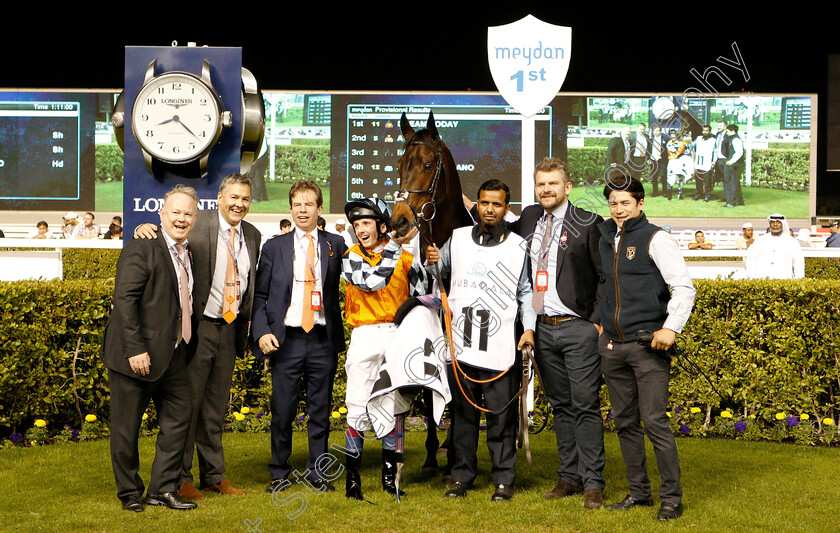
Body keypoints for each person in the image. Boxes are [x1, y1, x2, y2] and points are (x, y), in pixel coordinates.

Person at [134, 174, 263, 500]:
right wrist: (143, 230)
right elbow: (168, 241)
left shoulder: (252, 234)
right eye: (233, 197)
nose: (239, 204)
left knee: (215, 409)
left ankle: (214, 476)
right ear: (219, 197)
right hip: (199, 327)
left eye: (245, 199)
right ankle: (181, 478)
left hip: (230, 329)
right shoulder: (198, 222)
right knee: (187, 407)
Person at [426, 179, 536, 502]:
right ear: (476, 204)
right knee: (463, 418)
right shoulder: (457, 239)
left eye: (497, 204)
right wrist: (433, 258)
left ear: (506, 208)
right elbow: (437, 271)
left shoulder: (519, 247)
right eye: (484, 203)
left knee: (501, 417)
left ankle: (503, 479)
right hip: (461, 345)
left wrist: (528, 329)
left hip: (501, 345)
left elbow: (526, 293)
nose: (490, 209)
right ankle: (462, 476)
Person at [508, 157, 606, 509]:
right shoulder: (531, 218)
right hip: (543, 329)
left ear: (567, 187)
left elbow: (605, 277)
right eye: (541, 184)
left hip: (578, 329)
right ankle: (569, 477)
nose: (546, 189)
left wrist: (594, 323)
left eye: (553, 184)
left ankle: (594, 482)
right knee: (562, 408)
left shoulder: (589, 223)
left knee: (585, 407)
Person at [597, 175, 695, 522]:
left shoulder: (656, 238)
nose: (619, 209)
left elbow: (683, 287)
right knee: (624, 423)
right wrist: (600, 323)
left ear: (640, 204)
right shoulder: (606, 235)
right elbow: (605, 286)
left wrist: (670, 328)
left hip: (647, 346)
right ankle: (639, 493)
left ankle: (671, 498)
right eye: (613, 203)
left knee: (654, 422)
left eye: (625, 203)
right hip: (612, 345)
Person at [101, 185, 200, 512]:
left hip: (174, 355)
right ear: (161, 214)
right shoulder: (141, 247)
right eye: (175, 212)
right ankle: (129, 493)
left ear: (195, 218)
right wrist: (135, 349)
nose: (181, 219)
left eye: (188, 213)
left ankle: (162, 490)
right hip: (135, 356)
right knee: (126, 431)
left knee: (180, 418)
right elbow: (125, 301)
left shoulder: (188, 252)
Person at [251, 179, 347, 494]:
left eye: (308, 204)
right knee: (282, 409)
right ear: (291, 209)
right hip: (286, 340)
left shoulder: (336, 244)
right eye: (296, 204)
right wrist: (262, 331)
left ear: (320, 209)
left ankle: (317, 473)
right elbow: (259, 295)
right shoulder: (274, 247)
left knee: (320, 410)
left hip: (322, 338)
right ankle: (279, 472)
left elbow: (368, 261)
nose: (302, 209)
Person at [340, 197, 424, 501]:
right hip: (364, 336)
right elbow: (374, 282)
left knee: (390, 406)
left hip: (395, 335)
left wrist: (428, 259)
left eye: (366, 223)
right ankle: (353, 481)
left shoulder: (406, 258)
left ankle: (389, 479)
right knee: (357, 407)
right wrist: (395, 245)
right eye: (357, 224)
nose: (361, 229)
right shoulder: (349, 257)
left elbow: (424, 295)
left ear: (381, 226)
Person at [745, 214, 804, 279]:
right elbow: (751, 260)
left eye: (778, 222)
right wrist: (751, 277)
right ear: (769, 224)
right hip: (762, 280)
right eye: (772, 222)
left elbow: (798, 263)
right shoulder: (760, 241)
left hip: (785, 280)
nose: (775, 224)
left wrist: (799, 280)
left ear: (783, 224)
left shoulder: (792, 242)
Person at [718, 124, 745, 208]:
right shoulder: (733, 139)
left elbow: (739, 152)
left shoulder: (736, 139)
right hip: (736, 164)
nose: (726, 133)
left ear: (733, 131)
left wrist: (731, 161)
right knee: (735, 183)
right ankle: (739, 201)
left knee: (732, 183)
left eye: (727, 131)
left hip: (735, 164)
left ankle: (731, 202)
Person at [692, 125, 717, 201]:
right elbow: (692, 145)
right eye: (703, 130)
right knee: (698, 180)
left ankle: (708, 195)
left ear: (710, 131)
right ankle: (699, 193)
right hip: (698, 162)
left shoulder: (713, 140)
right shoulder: (699, 138)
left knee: (707, 181)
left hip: (707, 163)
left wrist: (714, 160)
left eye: (706, 131)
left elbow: (715, 151)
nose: (705, 132)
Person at [648, 126, 668, 197]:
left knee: (663, 176)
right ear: (653, 132)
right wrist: (648, 159)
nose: (657, 132)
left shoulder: (665, 139)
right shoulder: (650, 140)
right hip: (653, 160)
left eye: (658, 131)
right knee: (654, 177)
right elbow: (648, 150)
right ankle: (655, 192)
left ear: (660, 131)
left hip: (662, 160)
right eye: (655, 131)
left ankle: (665, 192)